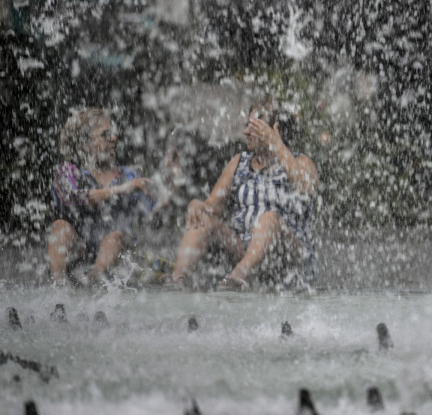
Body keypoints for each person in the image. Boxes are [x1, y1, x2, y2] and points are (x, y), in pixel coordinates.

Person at [168, 98, 318, 290]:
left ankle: (236, 278)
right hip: (243, 250)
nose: (246, 132)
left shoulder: (301, 162)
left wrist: (277, 146)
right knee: (203, 219)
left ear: (273, 130)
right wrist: (197, 205)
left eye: (253, 127)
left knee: (268, 219)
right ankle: (178, 278)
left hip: (287, 256)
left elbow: (306, 188)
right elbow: (212, 208)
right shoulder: (239, 162)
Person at [48, 108, 157, 285]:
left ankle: (92, 280)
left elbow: (155, 217)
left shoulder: (128, 175)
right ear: (84, 144)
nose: (113, 138)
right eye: (105, 135)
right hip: (80, 250)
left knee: (114, 237)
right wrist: (119, 190)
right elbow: (70, 199)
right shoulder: (67, 171)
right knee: (60, 227)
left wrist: (170, 188)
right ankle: (57, 288)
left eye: (112, 133)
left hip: (120, 255)